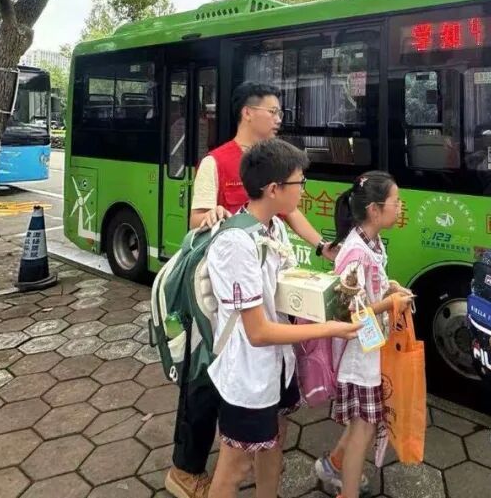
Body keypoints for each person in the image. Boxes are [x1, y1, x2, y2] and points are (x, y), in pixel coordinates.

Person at [167, 81, 338, 498]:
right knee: (205, 391)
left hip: (260, 326)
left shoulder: (276, 177)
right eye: (273, 111)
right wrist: (219, 216)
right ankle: (185, 469)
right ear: (248, 112)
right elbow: (197, 221)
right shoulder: (217, 162)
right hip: (222, 305)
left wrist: (321, 247)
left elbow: (289, 215)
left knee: (261, 429)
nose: (279, 119)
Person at [205, 139, 358, 498]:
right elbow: (257, 332)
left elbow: (289, 292)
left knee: (275, 442)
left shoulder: (273, 228)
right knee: (236, 465)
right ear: (273, 189)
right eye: (299, 182)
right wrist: (333, 328)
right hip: (248, 374)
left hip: (277, 365)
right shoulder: (236, 244)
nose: (304, 191)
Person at [313, 171, 413, 498]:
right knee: (363, 429)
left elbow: (368, 291)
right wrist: (390, 302)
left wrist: (390, 287)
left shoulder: (369, 241)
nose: (400, 208)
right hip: (358, 358)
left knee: (365, 421)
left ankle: (334, 465)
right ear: (374, 209)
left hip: (369, 348)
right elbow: (352, 315)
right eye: (396, 202)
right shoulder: (356, 252)